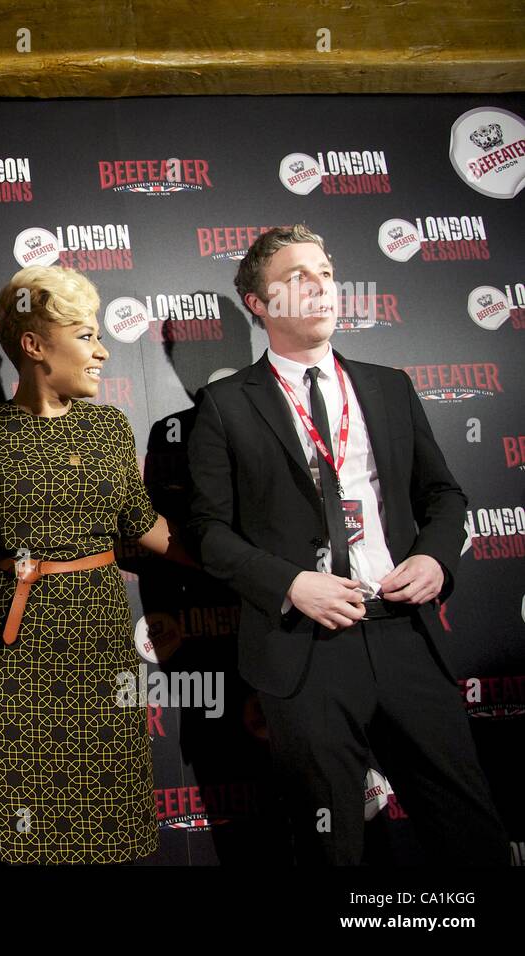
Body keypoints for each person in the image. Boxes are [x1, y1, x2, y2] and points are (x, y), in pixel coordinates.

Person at [187, 224, 507, 864]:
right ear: (258, 304)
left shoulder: (388, 386)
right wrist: (290, 583)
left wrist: (435, 556)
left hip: (404, 634)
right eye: (297, 278)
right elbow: (207, 534)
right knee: (330, 847)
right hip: (305, 650)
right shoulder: (223, 405)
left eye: (326, 273)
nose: (321, 287)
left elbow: (444, 495)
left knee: (470, 831)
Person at [0, 265, 187, 864]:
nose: (104, 351)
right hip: (15, 642)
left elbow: (144, 525)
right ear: (33, 346)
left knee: (104, 802)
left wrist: (250, 564)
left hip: (100, 635)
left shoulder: (108, 425)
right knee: (21, 812)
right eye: (85, 336)